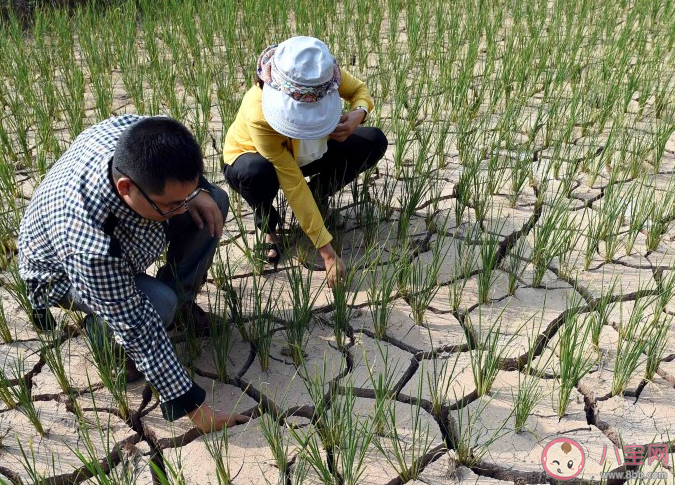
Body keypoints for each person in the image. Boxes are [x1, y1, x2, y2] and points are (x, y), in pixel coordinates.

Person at [18, 115, 248, 431]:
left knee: (213, 200)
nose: (181, 208)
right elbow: (136, 324)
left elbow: (178, 174)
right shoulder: (90, 242)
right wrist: (195, 409)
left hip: (120, 237)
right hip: (61, 276)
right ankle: (105, 338)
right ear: (126, 187)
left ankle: (181, 305)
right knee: (157, 306)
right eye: (172, 204)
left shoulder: (134, 134)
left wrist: (197, 192)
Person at [222, 36, 388, 286]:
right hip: (255, 159)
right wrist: (328, 254)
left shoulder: (319, 75)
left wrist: (358, 114)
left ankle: (317, 197)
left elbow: (358, 91)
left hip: (307, 150)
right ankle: (267, 228)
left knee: (373, 140)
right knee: (256, 173)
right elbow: (292, 182)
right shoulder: (259, 112)